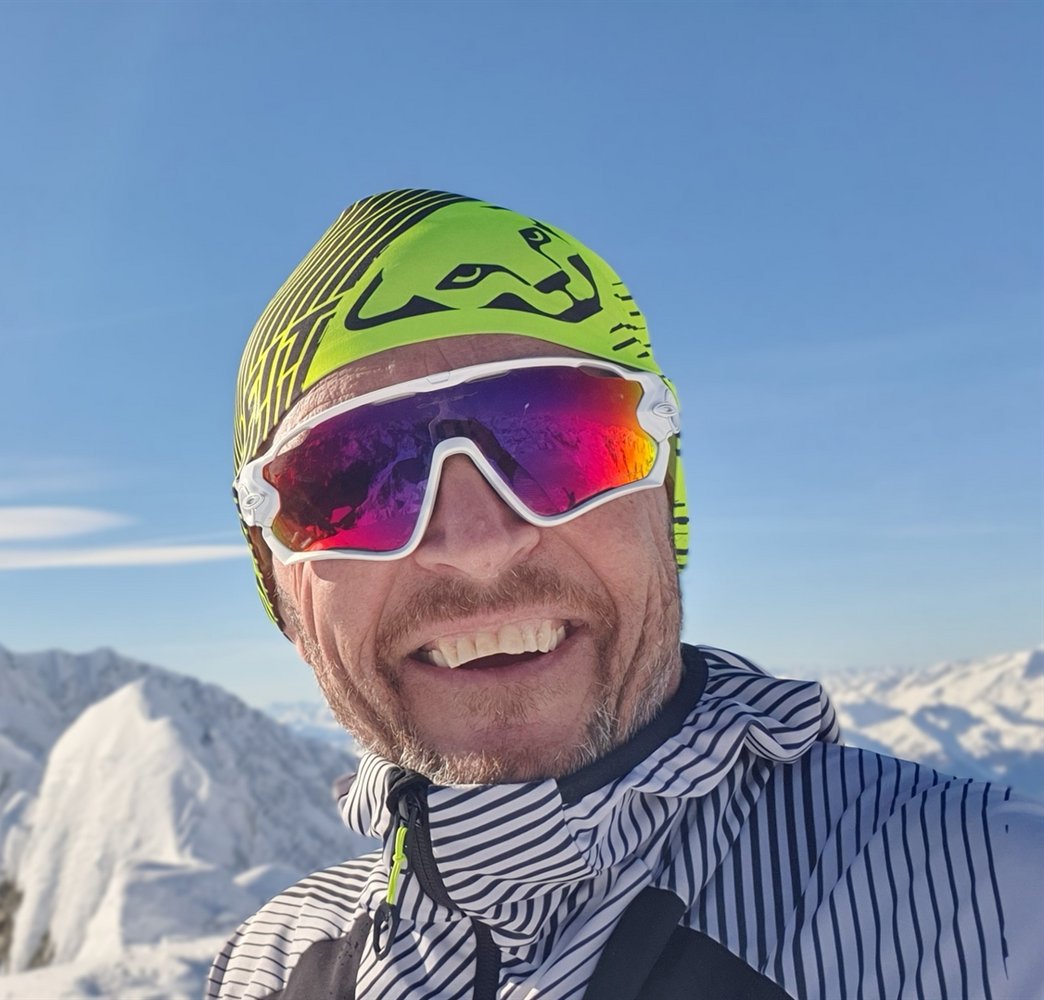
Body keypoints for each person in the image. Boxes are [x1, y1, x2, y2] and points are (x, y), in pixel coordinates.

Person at [206, 190, 1044, 1000]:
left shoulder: (999, 908)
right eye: (348, 481)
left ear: (664, 504)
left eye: (560, 440)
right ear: (277, 583)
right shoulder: (263, 968)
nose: (477, 544)